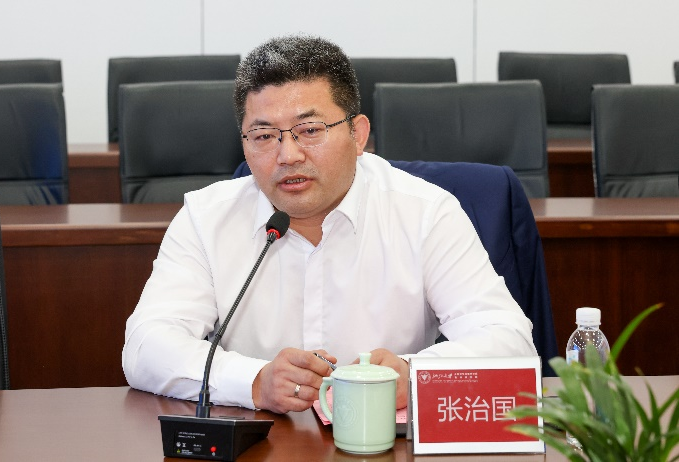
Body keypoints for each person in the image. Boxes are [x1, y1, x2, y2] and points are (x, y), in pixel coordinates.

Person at [122, 35, 537, 414]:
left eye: (309, 130)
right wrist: (254, 381)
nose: (288, 155)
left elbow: (509, 340)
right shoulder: (206, 218)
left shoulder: (426, 212)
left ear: (358, 134)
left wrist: (413, 376)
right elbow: (146, 346)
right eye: (264, 136)